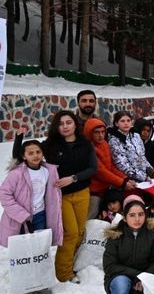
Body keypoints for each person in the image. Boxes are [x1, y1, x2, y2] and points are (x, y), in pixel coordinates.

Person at [21, 111, 97, 283]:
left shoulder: (85, 144)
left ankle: (70, 264)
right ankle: (63, 273)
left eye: (68, 122)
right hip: (59, 196)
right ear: (56, 126)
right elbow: (23, 155)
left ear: (75, 124)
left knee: (79, 233)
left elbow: (93, 169)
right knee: (70, 233)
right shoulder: (50, 145)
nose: (65, 126)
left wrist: (73, 178)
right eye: (61, 123)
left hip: (82, 193)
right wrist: (19, 137)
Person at [103, 195, 154, 294]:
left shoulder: (151, 235)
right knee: (121, 286)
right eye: (132, 215)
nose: (137, 219)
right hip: (119, 277)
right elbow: (109, 266)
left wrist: (143, 278)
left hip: (141, 280)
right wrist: (137, 275)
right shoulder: (115, 235)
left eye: (141, 214)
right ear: (124, 217)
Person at [0, 139, 63, 249]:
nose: (35, 156)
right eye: (30, 153)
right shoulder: (17, 173)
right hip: (19, 218)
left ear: (42, 153)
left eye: (38, 152)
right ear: (24, 156)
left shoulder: (49, 171)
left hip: (40, 215)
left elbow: (52, 194)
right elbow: (4, 195)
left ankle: (38, 266)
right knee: (21, 250)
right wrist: (21, 214)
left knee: (39, 247)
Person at [83, 118, 136, 219]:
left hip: (106, 189)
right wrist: (122, 183)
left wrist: (125, 178)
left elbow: (111, 166)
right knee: (91, 216)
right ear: (89, 133)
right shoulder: (88, 148)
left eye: (103, 132)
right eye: (96, 132)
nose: (101, 135)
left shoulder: (104, 144)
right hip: (94, 192)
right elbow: (101, 172)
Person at [108, 111, 154, 183]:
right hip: (129, 180)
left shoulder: (136, 136)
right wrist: (144, 177)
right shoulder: (114, 141)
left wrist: (150, 170)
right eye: (122, 121)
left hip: (145, 176)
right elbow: (122, 165)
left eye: (128, 120)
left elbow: (142, 157)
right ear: (116, 123)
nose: (126, 123)